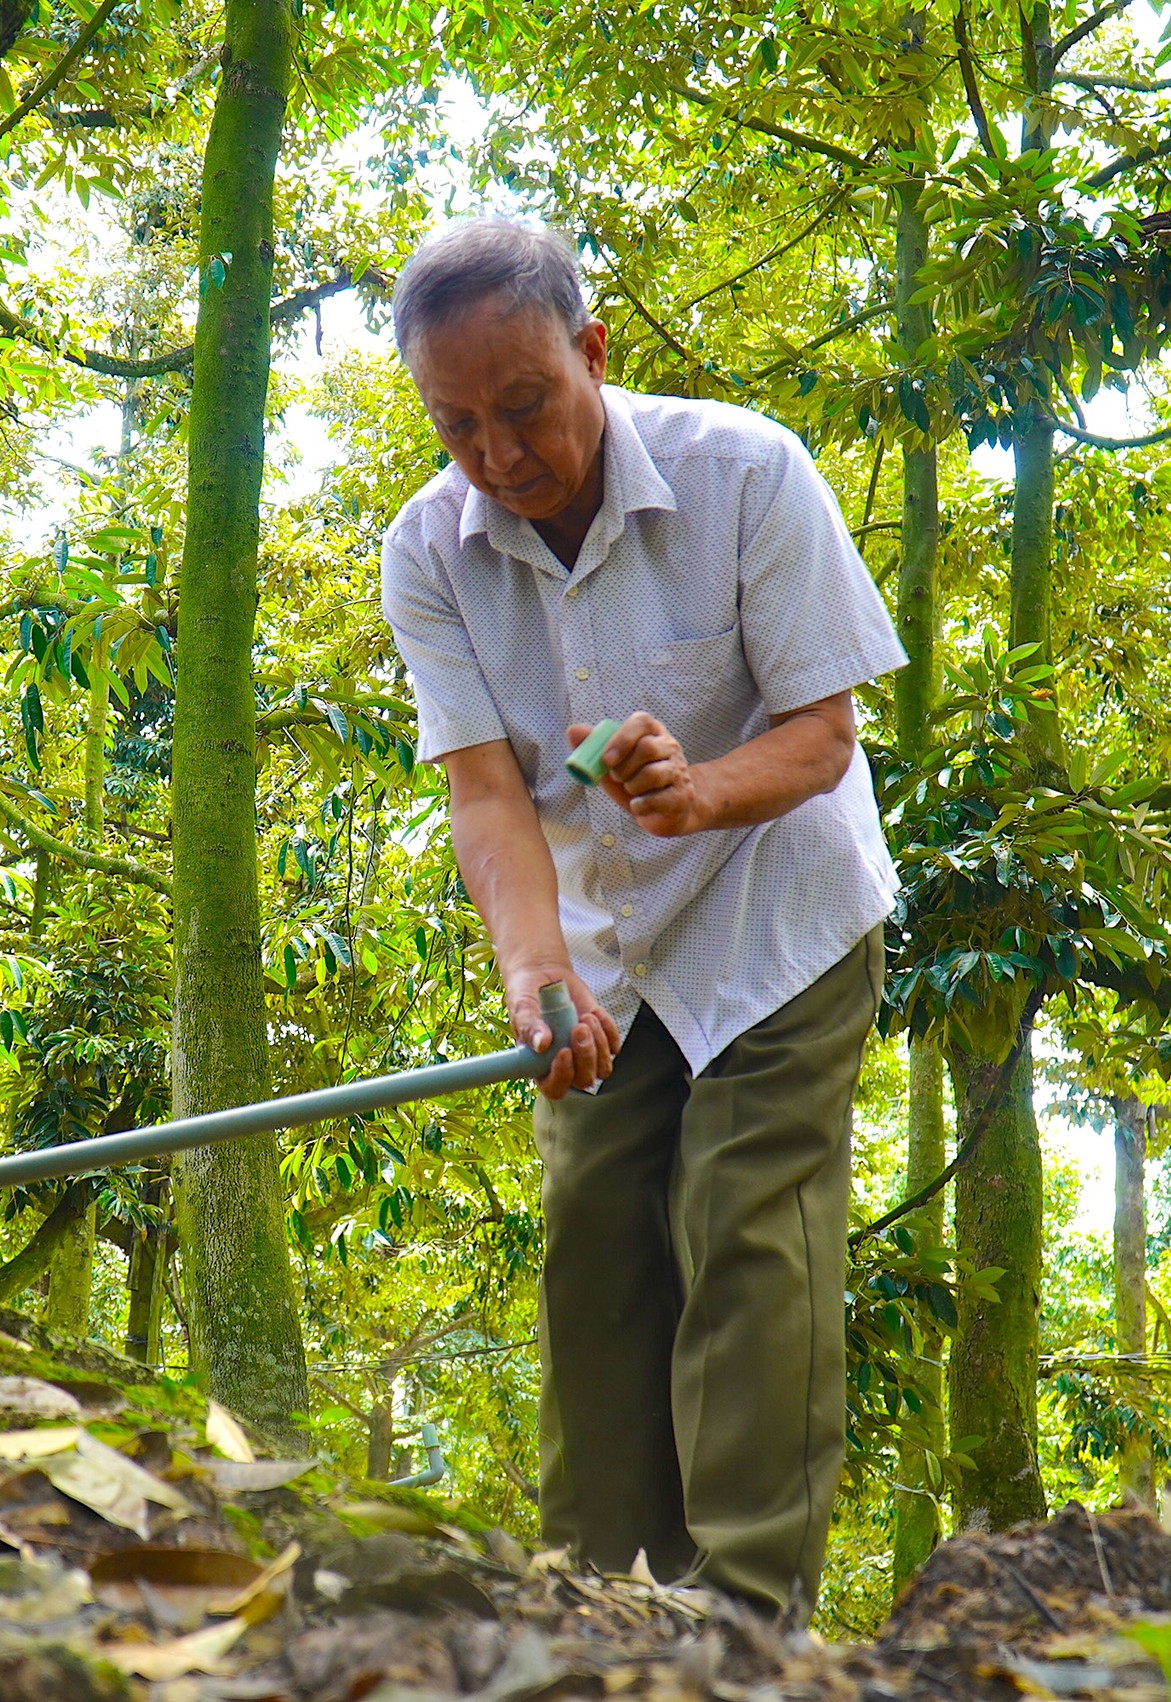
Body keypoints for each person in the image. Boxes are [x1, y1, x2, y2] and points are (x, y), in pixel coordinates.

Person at [376, 217, 906, 1618]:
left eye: (524, 406)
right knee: (595, 1248)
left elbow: (825, 734)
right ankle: (596, 1617)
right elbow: (488, 794)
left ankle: (740, 1624)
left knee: (746, 1234)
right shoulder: (428, 552)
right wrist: (533, 970)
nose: (497, 454)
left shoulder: (746, 472)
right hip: (600, 950)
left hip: (776, 918)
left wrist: (698, 790)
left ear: (592, 354)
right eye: (457, 424)